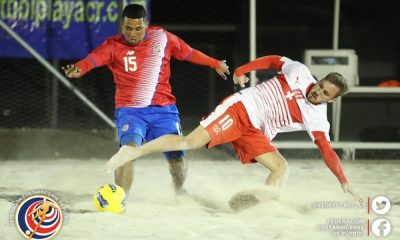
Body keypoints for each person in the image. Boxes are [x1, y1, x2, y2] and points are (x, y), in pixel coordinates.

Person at [105, 55, 363, 203]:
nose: (317, 92)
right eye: (320, 85)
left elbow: (326, 150)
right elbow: (273, 60)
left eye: (325, 94)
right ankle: (132, 153)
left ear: (332, 99)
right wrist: (241, 70)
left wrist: (343, 180)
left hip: (255, 130)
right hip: (240, 109)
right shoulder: (300, 72)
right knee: (189, 143)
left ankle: (252, 205)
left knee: (281, 167)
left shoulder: (319, 118)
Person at [61, 4, 230, 196]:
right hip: (131, 111)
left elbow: (188, 52)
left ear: (146, 24)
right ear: (122, 26)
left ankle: (179, 190)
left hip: (164, 110)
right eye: (128, 29)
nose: (133, 34)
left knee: (177, 159)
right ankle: (120, 198)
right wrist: (80, 68)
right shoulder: (113, 46)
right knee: (128, 152)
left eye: (138, 29)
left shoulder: (162, 38)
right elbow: (93, 59)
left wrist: (215, 63)